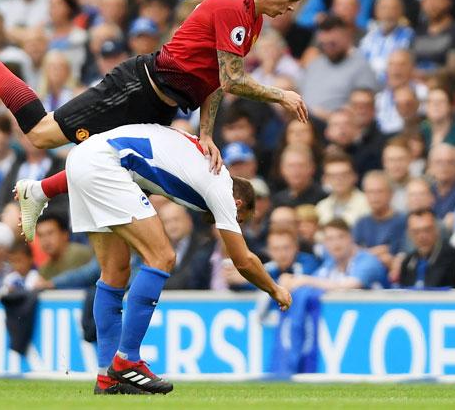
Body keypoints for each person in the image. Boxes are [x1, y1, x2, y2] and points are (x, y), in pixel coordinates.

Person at [0, 0, 320, 241]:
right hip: (138, 87)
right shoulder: (235, 5)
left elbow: (215, 80)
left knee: (125, 167)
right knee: (42, 135)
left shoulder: (251, 17)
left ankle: (39, 190)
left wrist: (207, 134)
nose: (290, 8)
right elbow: (234, 80)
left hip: (160, 102)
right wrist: (280, 94)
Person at [55, 123, 292, 394]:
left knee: (114, 272)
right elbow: (243, 260)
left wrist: (42, 189)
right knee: (163, 256)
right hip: (106, 164)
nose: (230, 226)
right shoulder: (222, 188)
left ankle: (107, 379)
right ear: (238, 204)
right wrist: (275, 289)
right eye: (239, 221)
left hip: (83, 160)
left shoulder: (196, 171)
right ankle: (126, 360)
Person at [279, 218, 388, 291]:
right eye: (330, 239)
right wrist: (292, 279)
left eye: (340, 237)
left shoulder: (368, 261)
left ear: (351, 238)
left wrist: (305, 280)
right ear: (325, 243)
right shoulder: (331, 263)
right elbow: (316, 281)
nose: (336, 243)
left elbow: (348, 286)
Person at [399, 209, 455, 289]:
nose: (422, 237)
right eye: (416, 231)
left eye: (427, 230)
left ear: (437, 229)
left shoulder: (450, 255)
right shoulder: (407, 262)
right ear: (409, 234)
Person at [36, 213, 92, 280]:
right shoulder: (44, 269)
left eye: (50, 233)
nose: (45, 240)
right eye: (40, 235)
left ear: (65, 234)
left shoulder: (79, 254)